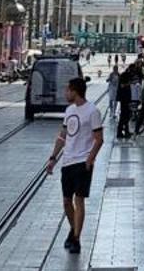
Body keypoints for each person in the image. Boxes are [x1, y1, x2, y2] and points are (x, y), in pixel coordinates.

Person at [45, 74, 102, 255]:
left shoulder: (92, 111)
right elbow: (63, 135)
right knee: (66, 201)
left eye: (67, 89)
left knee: (79, 200)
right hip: (67, 161)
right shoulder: (69, 111)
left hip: (82, 162)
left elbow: (99, 139)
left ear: (75, 91)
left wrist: (90, 160)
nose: (65, 92)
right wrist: (53, 157)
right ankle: (74, 229)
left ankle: (76, 239)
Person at [115, 60, 136, 140]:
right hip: (124, 99)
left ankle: (125, 131)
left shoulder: (126, 75)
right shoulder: (124, 75)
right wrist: (130, 83)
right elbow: (122, 85)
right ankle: (120, 132)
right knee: (124, 115)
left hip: (126, 98)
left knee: (126, 115)